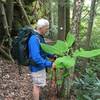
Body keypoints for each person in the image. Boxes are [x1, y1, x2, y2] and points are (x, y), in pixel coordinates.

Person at [28, 18, 56, 100]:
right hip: (36, 67)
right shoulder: (34, 39)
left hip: (40, 66)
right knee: (36, 86)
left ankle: (40, 97)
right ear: (40, 28)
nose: (47, 30)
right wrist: (50, 64)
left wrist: (52, 56)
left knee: (38, 85)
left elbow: (44, 50)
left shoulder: (40, 37)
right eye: (46, 28)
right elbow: (36, 58)